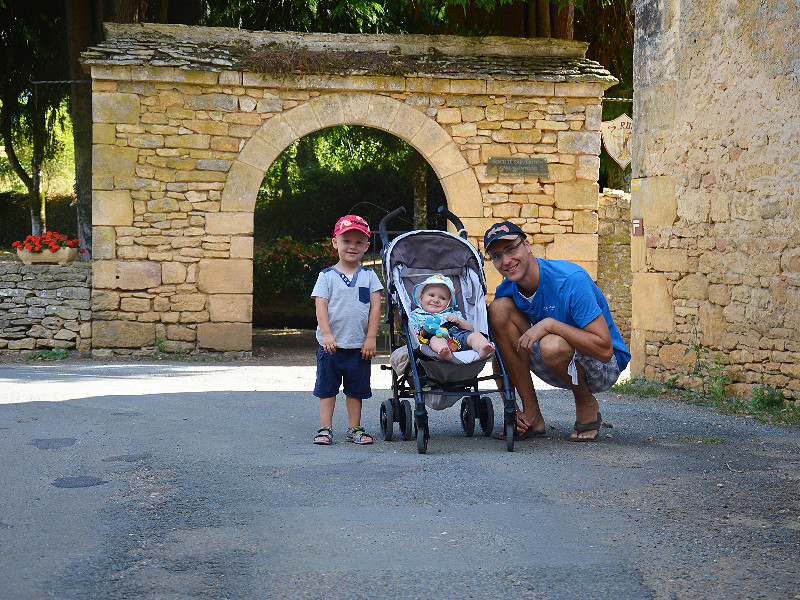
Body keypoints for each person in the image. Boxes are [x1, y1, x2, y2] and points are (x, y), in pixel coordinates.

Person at [484, 221, 630, 442]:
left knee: (551, 343)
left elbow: (605, 350)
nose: (505, 261)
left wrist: (550, 325)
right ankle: (531, 416)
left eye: (511, 249)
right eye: (496, 256)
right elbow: (502, 356)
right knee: (498, 309)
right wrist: (511, 409)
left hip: (602, 366)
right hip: (550, 360)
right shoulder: (507, 290)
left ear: (527, 245)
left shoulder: (570, 280)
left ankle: (585, 402)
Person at [311, 215, 383, 445]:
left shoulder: (369, 276)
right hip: (331, 346)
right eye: (347, 240)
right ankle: (325, 428)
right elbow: (320, 305)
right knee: (327, 388)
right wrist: (327, 335)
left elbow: (375, 308)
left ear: (367, 247)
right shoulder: (326, 276)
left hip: (359, 346)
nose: (352, 246)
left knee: (356, 389)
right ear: (335, 243)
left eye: (359, 242)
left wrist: (371, 337)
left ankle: (355, 428)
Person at [408, 274, 495, 361]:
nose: (436, 300)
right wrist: (423, 331)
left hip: (459, 336)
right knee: (436, 340)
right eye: (431, 295)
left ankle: (482, 347)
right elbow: (413, 334)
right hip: (436, 336)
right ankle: (444, 351)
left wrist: (459, 321)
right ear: (421, 298)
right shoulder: (416, 315)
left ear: (448, 303)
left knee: (475, 335)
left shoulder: (453, 313)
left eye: (442, 298)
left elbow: (470, 329)